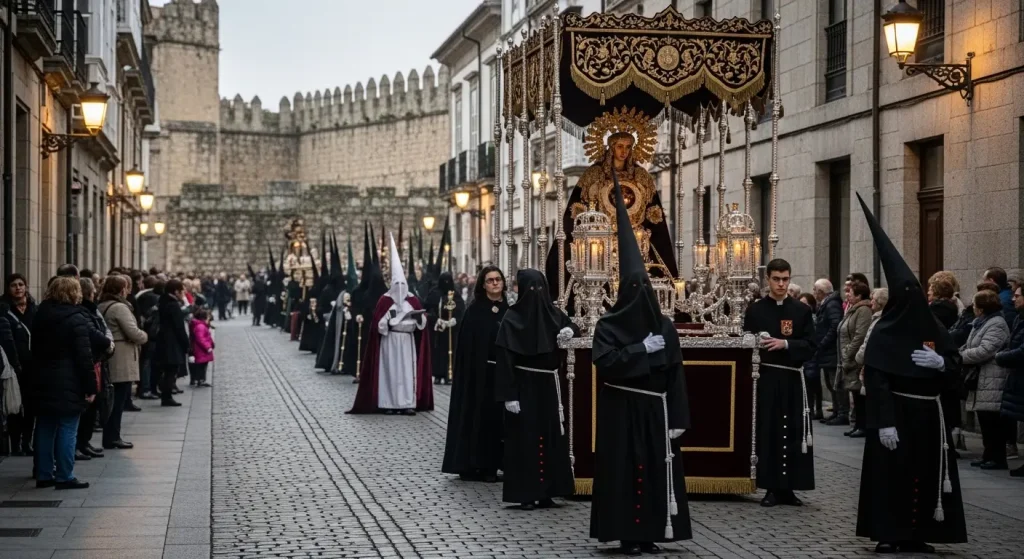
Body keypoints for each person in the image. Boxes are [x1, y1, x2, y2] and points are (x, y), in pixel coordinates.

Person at [851, 194, 966, 553]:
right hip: (897, 414)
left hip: (929, 415)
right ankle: (890, 531)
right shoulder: (885, 332)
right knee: (892, 474)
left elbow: (956, 367)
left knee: (927, 472)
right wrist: (882, 421)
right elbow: (878, 379)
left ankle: (920, 533)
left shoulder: (934, 326)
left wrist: (943, 364)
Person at [590, 169, 691, 555]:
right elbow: (605, 362)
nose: (638, 297)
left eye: (643, 290)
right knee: (623, 471)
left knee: (652, 470)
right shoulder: (607, 324)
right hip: (621, 408)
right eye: (632, 291)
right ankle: (626, 532)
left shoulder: (664, 326)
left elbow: (676, 373)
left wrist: (678, 419)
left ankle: (650, 531)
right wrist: (638, 352)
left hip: (655, 412)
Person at [494, 268, 578, 510]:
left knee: (551, 437)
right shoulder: (512, 318)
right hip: (524, 386)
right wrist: (509, 395)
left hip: (549, 386)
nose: (536, 293)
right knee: (526, 440)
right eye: (531, 289)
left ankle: (548, 491)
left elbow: (571, 323)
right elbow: (505, 361)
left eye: (540, 288)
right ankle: (526, 492)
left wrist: (570, 330)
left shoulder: (552, 312)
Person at [743, 258, 817, 507]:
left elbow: (811, 345)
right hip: (767, 379)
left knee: (794, 431)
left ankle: (790, 487)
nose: (781, 284)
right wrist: (754, 340)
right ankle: (772, 487)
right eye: (776, 279)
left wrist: (786, 344)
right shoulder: (755, 310)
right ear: (768, 280)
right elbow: (745, 340)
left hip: (793, 379)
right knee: (770, 431)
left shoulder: (802, 310)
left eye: (785, 279)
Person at [348, 235, 433, 414]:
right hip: (390, 341)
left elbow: (422, 325)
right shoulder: (385, 301)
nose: (401, 287)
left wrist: (417, 318)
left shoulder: (413, 300)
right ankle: (389, 404)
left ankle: (407, 404)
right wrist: (389, 318)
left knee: (407, 373)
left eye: (403, 283)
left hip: (407, 340)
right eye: (397, 284)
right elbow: (379, 326)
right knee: (390, 372)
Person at [442, 265, 509, 482]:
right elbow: (468, 349)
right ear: (483, 284)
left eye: (498, 279)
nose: (495, 283)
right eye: (490, 280)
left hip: (502, 374)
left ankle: (497, 463)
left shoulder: (510, 310)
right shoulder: (474, 311)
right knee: (480, 419)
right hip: (479, 376)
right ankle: (477, 464)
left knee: (499, 421)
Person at [31, 277, 98, 489]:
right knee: (68, 427)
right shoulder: (76, 318)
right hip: (69, 380)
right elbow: (84, 356)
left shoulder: (40, 314)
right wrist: (90, 386)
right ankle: (64, 475)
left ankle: (43, 474)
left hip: (42, 377)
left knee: (44, 426)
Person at [97, 275, 147, 450]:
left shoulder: (102, 304)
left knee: (113, 399)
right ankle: (113, 436)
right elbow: (133, 332)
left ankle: (111, 436)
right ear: (120, 290)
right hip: (121, 357)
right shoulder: (119, 307)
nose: (128, 291)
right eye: (126, 288)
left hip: (112, 355)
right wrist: (144, 336)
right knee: (117, 401)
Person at [154, 279, 190, 407]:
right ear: (175, 291)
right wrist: (186, 344)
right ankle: (167, 396)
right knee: (171, 370)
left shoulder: (163, 301)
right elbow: (179, 327)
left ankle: (165, 395)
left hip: (164, 339)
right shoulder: (173, 305)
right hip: (172, 342)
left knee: (167, 369)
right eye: (181, 291)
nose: (183, 294)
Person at [427, 272, 465, 385]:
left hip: (451, 331)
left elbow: (460, 309)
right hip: (437, 330)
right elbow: (428, 308)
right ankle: (437, 374)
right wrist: (436, 319)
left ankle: (449, 374)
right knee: (437, 352)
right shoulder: (434, 293)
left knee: (450, 351)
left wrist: (452, 321)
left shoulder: (456, 295)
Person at [189, 309, 215, 387]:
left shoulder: (202, 326)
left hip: (202, 350)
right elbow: (200, 339)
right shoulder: (200, 327)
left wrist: (212, 344)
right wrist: (208, 347)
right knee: (201, 365)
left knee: (203, 365)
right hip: (201, 350)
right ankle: (200, 380)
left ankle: (201, 379)